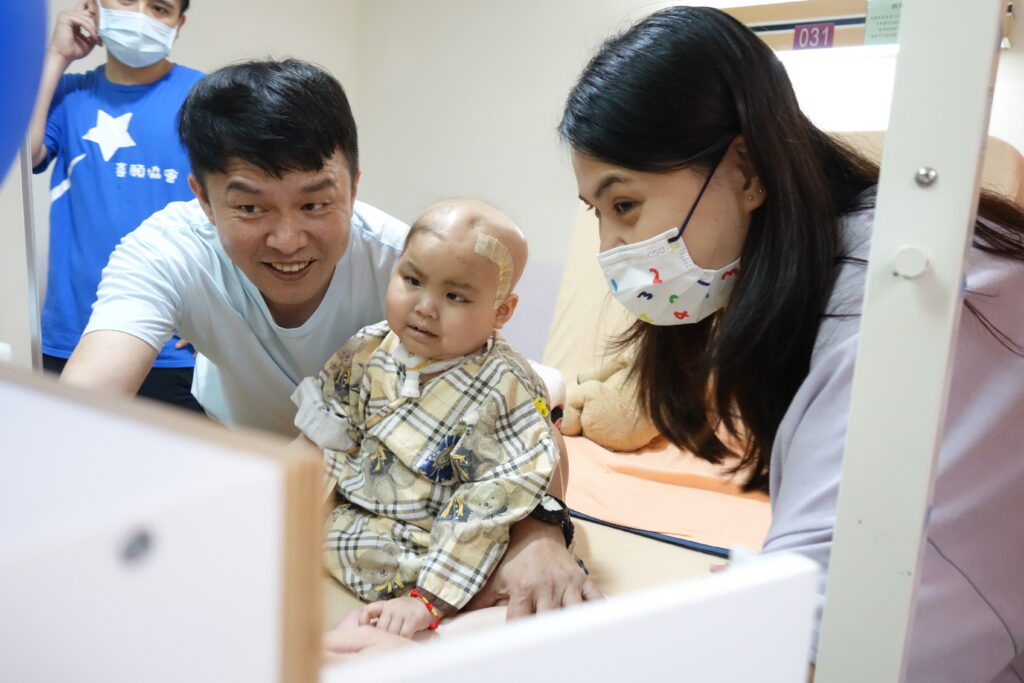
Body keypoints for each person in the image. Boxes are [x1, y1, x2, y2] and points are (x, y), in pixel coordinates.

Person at [558, 7, 1024, 683]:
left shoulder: (907, 294)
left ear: (745, 170)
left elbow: (837, 627)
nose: (610, 250)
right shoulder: (816, 276)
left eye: (625, 205)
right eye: (595, 214)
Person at [61, 57, 599, 624]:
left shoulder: (413, 268)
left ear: (354, 185)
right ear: (203, 197)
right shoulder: (165, 253)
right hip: (251, 463)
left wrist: (540, 532)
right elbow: (82, 403)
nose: (288, 239)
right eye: (249, 207)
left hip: (378, 495)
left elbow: (523, 418)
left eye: (316, 203)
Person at [295, 199, 564, 638]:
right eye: (413, 280)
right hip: (361, 511)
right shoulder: (367, 349)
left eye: (455, 295)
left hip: (441, 537)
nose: (425, 306)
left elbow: (488, 505)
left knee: (498, 584)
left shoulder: (504, 389)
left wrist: (430, 597)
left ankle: (435, 611)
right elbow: (330, 433)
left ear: (501, 312)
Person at [29, 0, 204, 411]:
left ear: (178, 24)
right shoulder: (71, 96)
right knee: (71, 465)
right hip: (74, 334)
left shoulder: (207, 98)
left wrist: (225, 316)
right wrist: (56, 56)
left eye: (159, 8)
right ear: (92, 7)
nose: (141, 15)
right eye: (125, 1)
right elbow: (24, 154)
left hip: (175, 343)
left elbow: (242, 206)